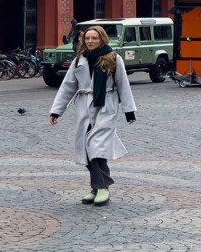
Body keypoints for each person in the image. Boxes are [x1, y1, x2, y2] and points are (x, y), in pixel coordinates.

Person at [49, 25, 137, 207]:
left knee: (96, 146)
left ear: (102, 39)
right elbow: (68, 86)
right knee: (86, 148)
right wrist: (56, 111)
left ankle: (103, 186)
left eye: (94, 38)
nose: (90, 41)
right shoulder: (79, 60)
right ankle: (96, 187)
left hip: (106, 106)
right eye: (87, 38)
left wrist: (129, 111)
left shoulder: (113, 58)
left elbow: (123, 85)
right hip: (84, 106)